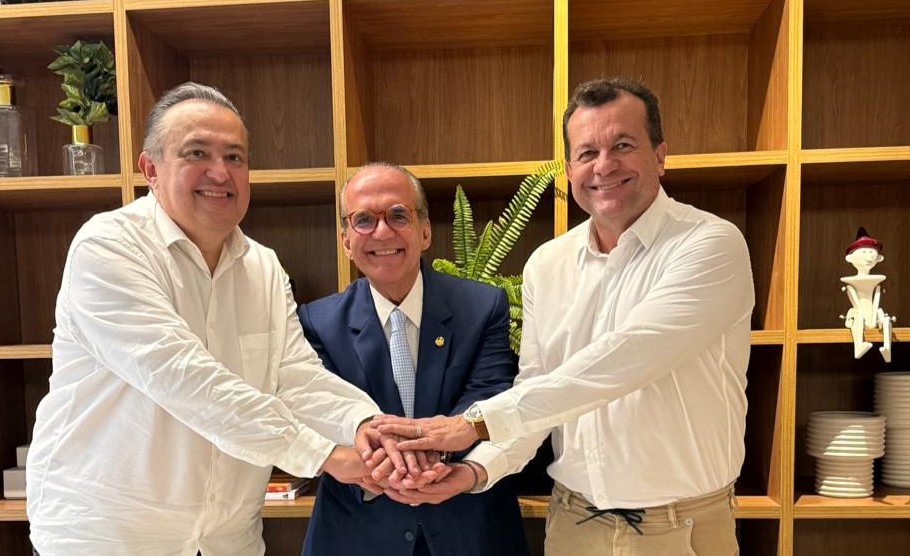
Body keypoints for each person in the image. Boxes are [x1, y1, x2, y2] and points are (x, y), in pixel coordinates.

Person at [375, 77, 755, 556]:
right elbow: (539, 392)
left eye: (623, 145)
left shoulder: (710, 244)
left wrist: (473, 424)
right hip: (573, 526)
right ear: (570, 169)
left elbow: (625, 359)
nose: (604, 165)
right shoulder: (548, 264)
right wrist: (474, 470)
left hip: (682, 530)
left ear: (660, 155)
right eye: (587, 152)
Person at [25, 82, 382, 556]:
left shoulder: (264, 266)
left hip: (227, 539)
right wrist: (324, 454)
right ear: (151, 169)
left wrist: (366, 427)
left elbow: (294, 378)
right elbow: (184, 378)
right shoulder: (109, 247)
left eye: (235, 157)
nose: (220, 171)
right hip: (108, 537)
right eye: (197, 152)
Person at [296, 162, 529, 556]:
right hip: (358, 534)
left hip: (469, 529)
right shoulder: (317, 322)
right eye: (364, 220)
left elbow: (489, 394)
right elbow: (319, 411)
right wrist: (393, 460)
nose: (382, 231)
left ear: (425, 230)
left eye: (398, 215)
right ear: (346, 241)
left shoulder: (483, 306)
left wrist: (435, 452)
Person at [841, 227, 894, 362]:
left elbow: (877, 296)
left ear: (879, 258)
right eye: (864, 252)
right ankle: (859, 345)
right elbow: (852, 295)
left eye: (871, 252)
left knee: (886, 319)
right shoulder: (850, 283)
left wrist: (875, 312)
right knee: (858, 316)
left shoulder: (877, 281)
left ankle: (887, 348)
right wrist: (860, 310)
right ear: (850, 258)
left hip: (873, 316)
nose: (869, 257)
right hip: (859, 315)